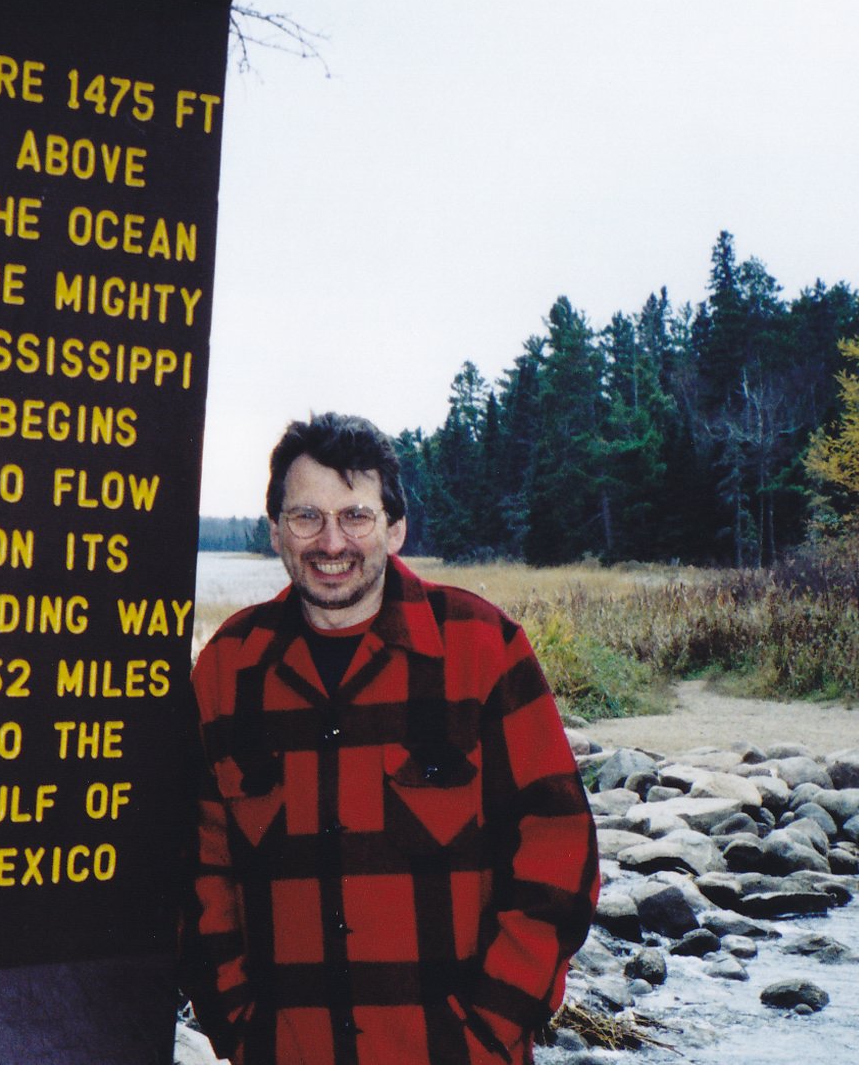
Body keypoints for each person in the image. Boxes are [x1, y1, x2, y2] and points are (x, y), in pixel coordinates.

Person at [184, 412, 598, 1065]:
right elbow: (199, 864)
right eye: (305, 516)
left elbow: (560, 842)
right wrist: (237, 1023)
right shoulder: (227, 669)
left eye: (355, 515)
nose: (330, 541)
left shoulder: (483, 648)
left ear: (395, 527)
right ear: (274, 532)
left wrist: (494, 1023)